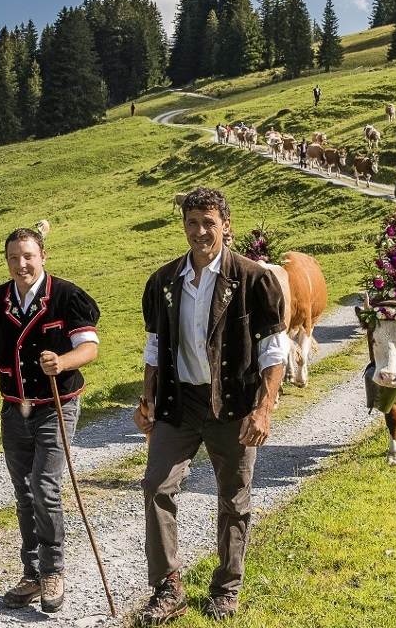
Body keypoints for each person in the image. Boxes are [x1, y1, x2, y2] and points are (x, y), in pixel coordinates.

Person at [134, 186, 289, 624]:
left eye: (208, 223)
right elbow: (154, 344)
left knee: (234, 496)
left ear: (226, 226)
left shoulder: (254, 278)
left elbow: (274, 352)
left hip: (234, 403)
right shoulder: (164, 280)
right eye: (192, 222)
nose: (200, 231)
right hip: (179, 401)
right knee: (156, 487)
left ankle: (225, 588)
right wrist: (147, 395)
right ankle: (169, 588)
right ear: (183, 225)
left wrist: (264, 409)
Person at [0, 226, 101, 614]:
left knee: (45, 486)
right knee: (23, 492)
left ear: (43, 256)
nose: (21, 264)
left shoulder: (66, 296)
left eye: (28, 256)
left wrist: (62, 362)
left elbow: (89, 347)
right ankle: (31, 573)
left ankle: (53, 569)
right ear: (7, 261)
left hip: (56, 405)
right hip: (14, 408)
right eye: (14, 257)